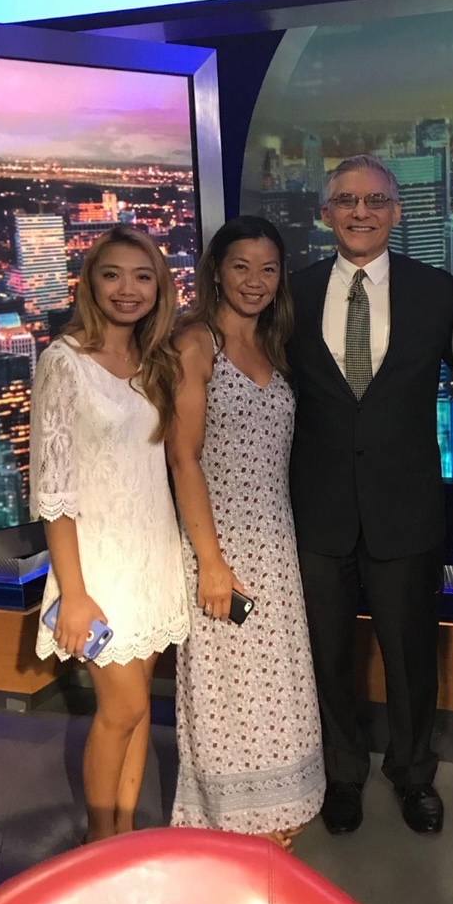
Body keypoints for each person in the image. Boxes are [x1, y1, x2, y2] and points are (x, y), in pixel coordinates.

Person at [288, 154, 453, 835]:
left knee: (410, 653)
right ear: (327, 213)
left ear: (398, 211)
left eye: (376, 201)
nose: (361, 212)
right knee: (327, 654)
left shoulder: (437, 290)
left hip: (406, 508)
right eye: (347, 201)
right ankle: (343, 773)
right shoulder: (291, 291)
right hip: (319, 508)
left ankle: (414, 774)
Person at [167, 216, 325, 850]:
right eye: (241, 267)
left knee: (276, 687)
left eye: (268, 268)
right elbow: (184, 457)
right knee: (227, 692)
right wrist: (210, 560)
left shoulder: (274, 345)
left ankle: (275, 828)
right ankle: (230, 833)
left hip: (274, 545)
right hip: (220, 546)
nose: (255, 281)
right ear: (216, 272)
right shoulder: (195, 344)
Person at [32, 224, 190, 843]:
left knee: (140, 707)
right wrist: (73, 594)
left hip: (152, 558)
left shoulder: (154, 360)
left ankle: (125, 836)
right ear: (90, 283)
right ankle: (99, 844)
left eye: (143, 276)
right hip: (96, 571)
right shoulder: (63, 362)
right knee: (119, 708)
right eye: (113, 274)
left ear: (160, 287)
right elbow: (55, 494)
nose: (128, 289)